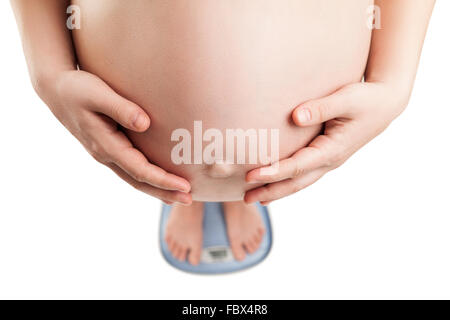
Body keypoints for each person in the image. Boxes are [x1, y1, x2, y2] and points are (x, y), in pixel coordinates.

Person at [11, 0, 435, 266]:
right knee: (203, 183)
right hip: (153, 131)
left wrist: (395, 79)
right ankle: (190, 195)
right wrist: (46, 68)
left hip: (273, 144)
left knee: (259, 182)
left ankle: (212, 194)